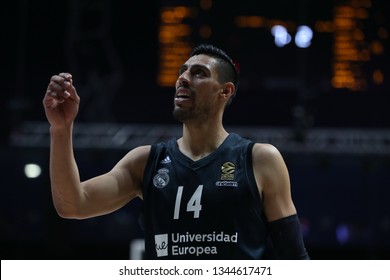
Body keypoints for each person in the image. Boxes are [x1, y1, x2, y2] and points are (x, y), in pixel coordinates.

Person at [43, 43, 309, 260]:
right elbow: (72, 204)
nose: (183, 78)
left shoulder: (260, 159)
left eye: (198, 73)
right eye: (182, 71)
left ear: (225, 91)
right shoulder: (145, 161)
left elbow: (295, 259)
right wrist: (61, 129)